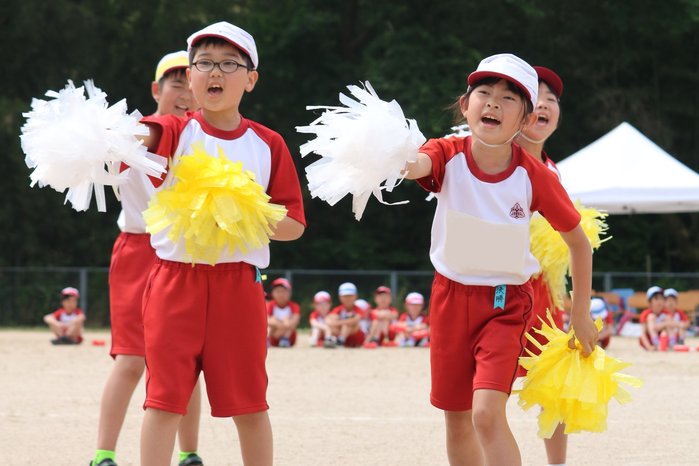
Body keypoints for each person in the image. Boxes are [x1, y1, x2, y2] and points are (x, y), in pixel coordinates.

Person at [404, 53, 597, 465]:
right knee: (456, 420)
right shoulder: (445, 152)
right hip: (448, 299)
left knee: (486, 415)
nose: (493, 102)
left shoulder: (536, 175)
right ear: (465, 105)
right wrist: (388, 154)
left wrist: (580, 313)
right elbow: (416, 164)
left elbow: (579, 243)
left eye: (509, 98)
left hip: (506, 304)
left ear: (525, 120)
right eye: (484, 92)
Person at [137, 22, 306, 466]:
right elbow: (146, 135)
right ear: (190, 77)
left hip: (240, 286)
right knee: (163, 401)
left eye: (229, 64)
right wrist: (107, 137)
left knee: (249, 404)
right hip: (176, 283)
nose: (215, 73)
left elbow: (294, 224)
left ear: (250, 79)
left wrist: (250, 212)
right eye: (204, 64)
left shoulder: (268, 144)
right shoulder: (176, 131)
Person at [89, 51, 203, 466]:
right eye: (176, 83)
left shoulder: (203, 136)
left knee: (187, 360)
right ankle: (103, 454)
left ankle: (190, 452)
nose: (185, 93)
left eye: (192, 83)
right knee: (132, 359)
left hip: (188, 255)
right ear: (157, 89)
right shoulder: (133, 133)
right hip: (139, 250)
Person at [515, 65, 571, 466]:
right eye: (536, 98)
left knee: (556, 387)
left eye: (552, 100)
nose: (545, 105)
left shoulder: (553, 170)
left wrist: (566, 297)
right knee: (486, 391)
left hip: (545, 295)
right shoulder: (493, 158)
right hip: (500, 286)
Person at [325, 282, 366, 348]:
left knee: (348, 324)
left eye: (350, 296)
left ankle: (340, 340)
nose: (348, 298)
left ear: (355, 296)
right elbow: (328, 321)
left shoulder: (358, 309)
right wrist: (346, 321)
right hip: (344, 336)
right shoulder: (338, 309)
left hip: (357, 339)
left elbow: (355, 321)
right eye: (345, 296)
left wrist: (339, 322)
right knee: (336, 321)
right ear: (340, 297)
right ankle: (334, 340)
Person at [266, 278, 301, 347]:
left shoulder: (294, 306)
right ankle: (267, 340)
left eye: (284, 291)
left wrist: (278, 322)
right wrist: (284, 323)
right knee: (269, 326)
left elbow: (294, 321)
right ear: (272, 293)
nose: (281, 294)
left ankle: (284, 340)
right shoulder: (270, 305)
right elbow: (265, 320)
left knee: (289, 325)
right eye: (278, 291)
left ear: (289, 293)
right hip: (273, 335)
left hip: (289, 337)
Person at [639, 286, 671, 350]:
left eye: (662, 299)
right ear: (650, 301)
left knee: (667, 319)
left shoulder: (666, 313)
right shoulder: (646, 313)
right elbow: (643, 333)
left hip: (663, 339)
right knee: (651, 317)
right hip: (649, 341)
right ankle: (656, 343)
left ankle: (671, 344)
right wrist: (649, 347)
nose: (660, 301)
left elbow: (671, 325)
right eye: (656, 299)